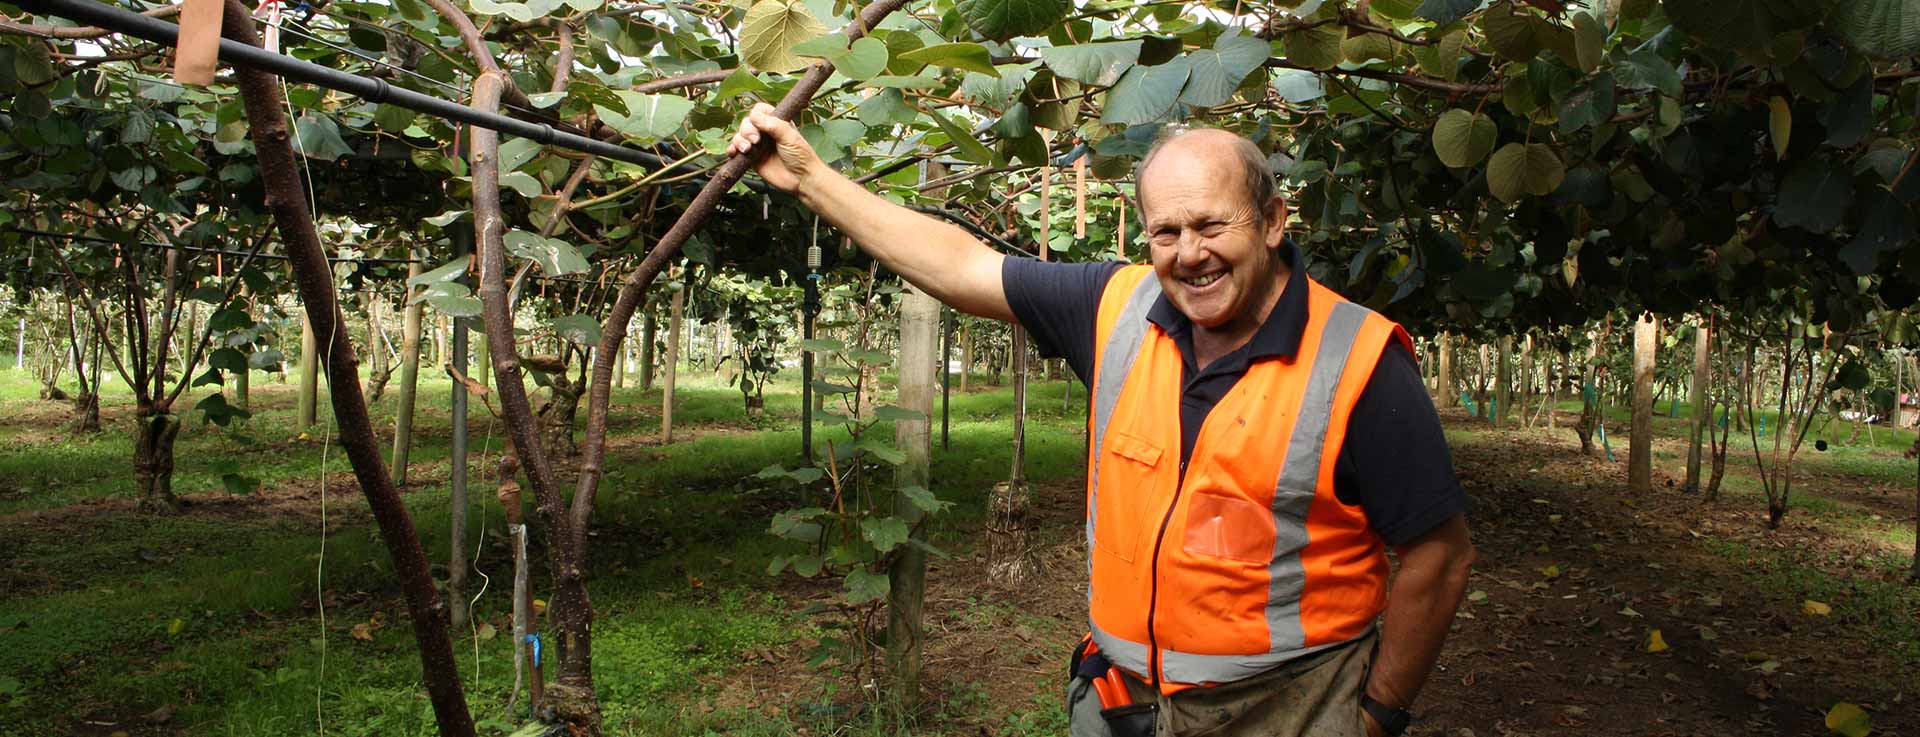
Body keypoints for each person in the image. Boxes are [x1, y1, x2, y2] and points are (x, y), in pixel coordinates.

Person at [729, 104, 1476, 737]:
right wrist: (809, 177)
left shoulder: (1360, 360)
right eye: (1165, 232)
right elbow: (960, 267)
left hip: (1289, 707)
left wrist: (1377, 714)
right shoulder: (1116, 308)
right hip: (1124, 702)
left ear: (1275, 221)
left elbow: (1438, 558)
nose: (1190, 255)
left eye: (1213, 225)